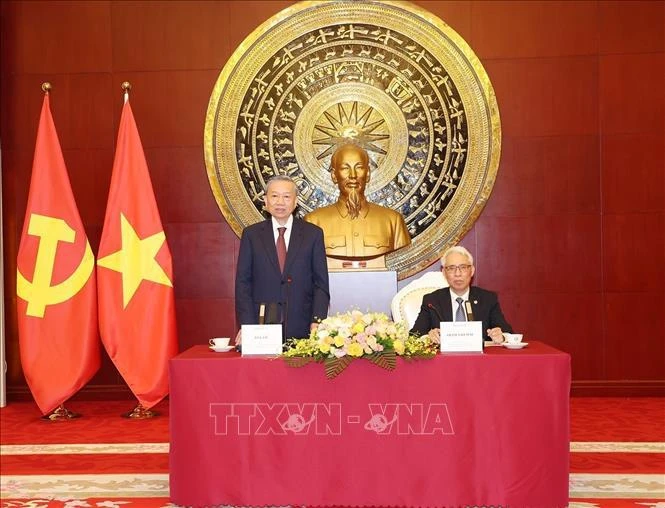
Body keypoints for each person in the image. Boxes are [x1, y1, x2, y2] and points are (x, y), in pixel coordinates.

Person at [235, 175, 330, 342]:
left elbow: (320, 284)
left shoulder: (313, 234)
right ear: (265, 200)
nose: (280, 202)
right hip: (262, 329)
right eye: (274, 196)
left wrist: (317, 321)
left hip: (303, 327)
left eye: (286, 197)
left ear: (295, 202)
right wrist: (248, 326)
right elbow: (243, 284)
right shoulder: (252, 235)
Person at [304, 143, 411, 258]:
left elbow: (403, 264)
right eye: (345, 168)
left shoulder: (393, 221)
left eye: (359, 167)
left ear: (368, 173)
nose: (353, 175)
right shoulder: (313, 222)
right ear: (334, 175)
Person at [410, 246, 513, 344]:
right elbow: (414, 336)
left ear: (472, 271)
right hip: (445, 361)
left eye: (463, 267)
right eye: (451, 268)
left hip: (478, 360)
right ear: (444, 272)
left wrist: (502, 336)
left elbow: (508, 333)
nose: (457, 274)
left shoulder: (487, 299)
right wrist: (428, 337)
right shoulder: (432, 301)